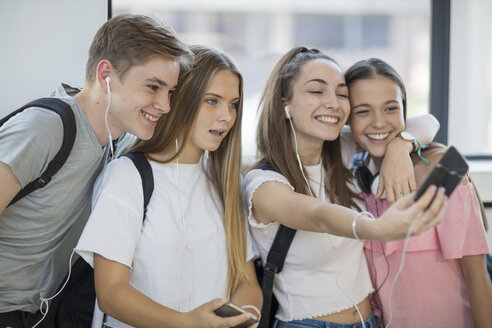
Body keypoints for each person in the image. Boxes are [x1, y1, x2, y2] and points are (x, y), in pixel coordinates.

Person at [0, 14, 191, 327]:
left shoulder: (120, 139)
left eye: (169, 91)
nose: (165, 105)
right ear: (106, 75)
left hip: (40, 313)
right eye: (153, 87)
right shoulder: (46, 128)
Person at [243, 47, 447, 328]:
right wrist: (376, 228)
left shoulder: (344, 149)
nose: (333, 103)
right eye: (317, 91)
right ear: (284, 105)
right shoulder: (263, 184)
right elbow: (317, 214)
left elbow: (427, 122)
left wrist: (401, 146)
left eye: (341, 93)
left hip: (369, 320)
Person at [75, 45, 262, 328]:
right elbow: (111, 293)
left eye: (233, 104)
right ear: (181, 100)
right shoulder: (128, 175)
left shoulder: (225, 180)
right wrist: (187, 323)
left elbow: (247, 281)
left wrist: (241, 320)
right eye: (212, 101)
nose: (227, 116)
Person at [345, 57, 492, 328]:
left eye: (391, 108)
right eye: (363, 111)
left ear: (404, 111)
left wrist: (401, 145)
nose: (379, 122)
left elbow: (477, 276)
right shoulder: (356, 177)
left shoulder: (440, 168)